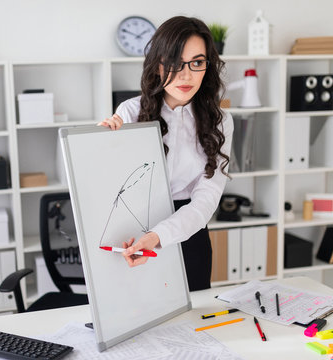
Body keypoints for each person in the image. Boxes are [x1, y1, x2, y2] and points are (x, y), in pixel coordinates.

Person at [99, 16, 233, 291]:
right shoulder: (129, 113)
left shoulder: (220, 121)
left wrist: (158, 236)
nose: (186, 75)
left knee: (192, 324)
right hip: (133, 230)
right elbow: (108, 185)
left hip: (190, 233)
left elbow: (207, 199)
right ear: (158, 65)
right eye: (175, 62)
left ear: (207, 67)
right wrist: (102, 148)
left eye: (197, 63)